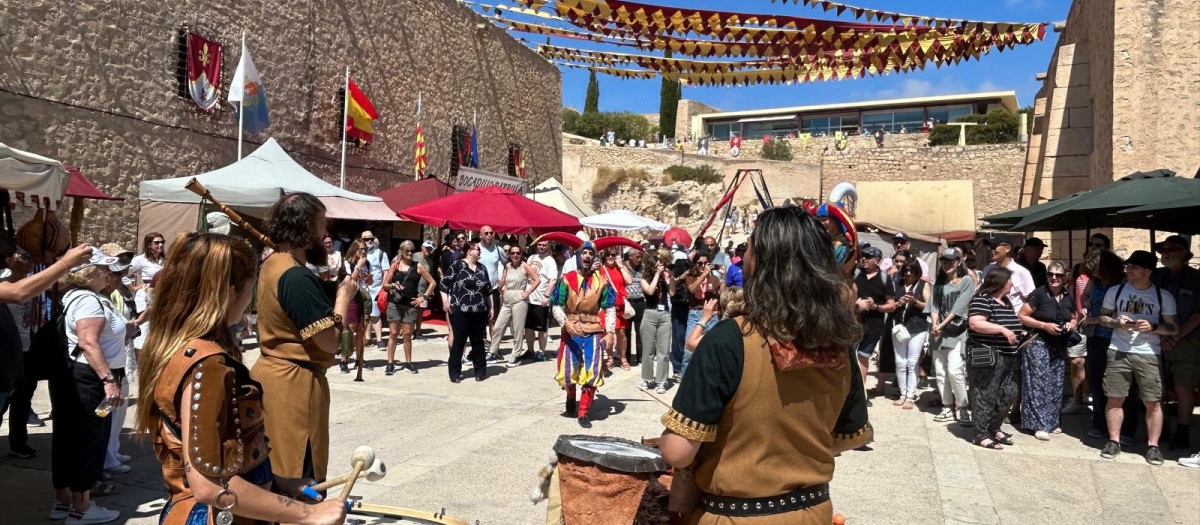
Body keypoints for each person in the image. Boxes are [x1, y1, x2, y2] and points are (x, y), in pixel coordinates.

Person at [658, 207, 870, 524]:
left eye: (751, 249)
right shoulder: (839, 343)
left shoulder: (730, 339)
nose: (745, 259)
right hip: (813, 514)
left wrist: (671, 434)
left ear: (761, 263)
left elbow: (678, 452)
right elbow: (847, 438)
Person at [136, 233, 347, 525]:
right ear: (232, 291)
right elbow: (210, 486)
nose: (251, 299)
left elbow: (227, 462)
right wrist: (308, 514)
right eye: (252, 287)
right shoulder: (207, 364)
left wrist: (277, 484)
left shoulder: (185, 349)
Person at [251, 193, 354, 483]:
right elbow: (329, 342)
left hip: (279, 379)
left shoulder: (273, 264)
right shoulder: (294, 275)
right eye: (321, 225)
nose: (325, 235)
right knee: (297, 474)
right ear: (305, 227)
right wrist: (344, 297)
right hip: (293, 388)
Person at [51, 247, 131, 524]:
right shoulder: (88, 301)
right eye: (103, 268)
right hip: (91, 380)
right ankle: (81, 507)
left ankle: (63, 502)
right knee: (88, 438)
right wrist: (109, 381)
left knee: (67, 438)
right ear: (88, 273)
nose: (108, 273)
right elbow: (88, 342)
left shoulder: (77, 296)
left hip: (77, 375)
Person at [1095, 251, 1178, 465]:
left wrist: (1154, 327)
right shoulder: (1117, 290)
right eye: (1127, 266)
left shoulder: (1163, 296)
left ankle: (1153, 446)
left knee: (1153, 401)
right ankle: (1114, 441)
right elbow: (1103, 318)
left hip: (1149, 352)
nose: (1128, 270)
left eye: (1134, 267)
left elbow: (1173, 327)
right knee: (1115, 397)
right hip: (1118, 349)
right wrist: (1117, 323)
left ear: (1148, 271)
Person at [551, 241, 617, 428]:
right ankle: (571, 395)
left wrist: (610, 331)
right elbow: (557, 304)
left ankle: (583, 412)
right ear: (578, 257)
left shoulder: (602, 282)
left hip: (593, 330)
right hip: (571, 330)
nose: (587, 256)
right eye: (584, 253)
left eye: (591, 253)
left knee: (592, 370)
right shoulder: (567, 279)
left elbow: (610, 308)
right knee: (568, 370)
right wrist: (564, 322)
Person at [1079, 250, 1137, 443]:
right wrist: (1086, 304)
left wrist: (1095, 319)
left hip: (1116, 337)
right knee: (1097, 381)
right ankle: (1099, 424)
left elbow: (1124, 312)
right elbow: (1084, 295)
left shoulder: (1123, 283)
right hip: (1096, 337)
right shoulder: (1095, 282)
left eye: (1096, 271)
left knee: (1120, 385)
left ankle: (1127, 429)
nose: (1094, 274)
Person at [1017, 261, 1077, 441]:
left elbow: (1074, 317)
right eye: (1051, 274)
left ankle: (1051, 421)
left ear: (1065, 277)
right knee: (1037, 383)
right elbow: (1022, 315)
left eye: (1058, 275)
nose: (1054, 278)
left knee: (1055, 382)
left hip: (1057, 344)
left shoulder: (1068, 296)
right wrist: (1043, 325)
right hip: (1038, 342)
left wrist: (1071, 324)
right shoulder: (1039, 294)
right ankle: (1038, 424)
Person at [1151, 235, 1200, 453]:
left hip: (1187, 340)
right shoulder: (1156, 277)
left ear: (1185, 253)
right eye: (1162, 250)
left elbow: (1198, 315)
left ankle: (1182, 428)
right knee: (1157, 386)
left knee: (1183, 386)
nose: (1165, 253)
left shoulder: (1197, 279)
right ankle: (1158, 428)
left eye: (1171, 249)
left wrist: (1175, 337)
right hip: (1157, 339)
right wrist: (1162, 336)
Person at [966, 266, 1024, 450]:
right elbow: (975, 323)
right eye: (1009, 280)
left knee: (1008, 393)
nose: (1012, 283)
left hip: (1008, 356)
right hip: (988, 356)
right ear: (1000, 282)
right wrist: (1002, 329)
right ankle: (980, 434)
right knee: (985, 394)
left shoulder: (1005, 302)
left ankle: (994, 427)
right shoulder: (982, 300)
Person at [926, 248, 975, 425]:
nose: (947, 264)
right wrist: (934, 324)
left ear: (958, 262)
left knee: (955, 371)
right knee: (940, 373)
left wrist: (940, 325)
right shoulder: (938, 284)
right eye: (944, 261)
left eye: (951, 260)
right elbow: (933, 307)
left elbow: (959, 308)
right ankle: (947, 406)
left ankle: (962, 408)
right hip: (938, 333)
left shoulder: (967, 281)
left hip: (957, 332)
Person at [382, 241, 436, 376]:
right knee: (393, 333)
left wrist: (423, 296)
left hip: (410, 304)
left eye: (412, 251)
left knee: (407, 335)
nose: (410, 253)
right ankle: (390, 363)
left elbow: (433, 282)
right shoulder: (394, 266)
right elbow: (385, 285)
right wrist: (394, 285)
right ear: (401, 252)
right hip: (394, 303)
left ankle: (408, 362)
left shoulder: (418, 266)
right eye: (407, 251)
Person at [442, 243, 491, 382]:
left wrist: (491, 307)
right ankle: (455, 373)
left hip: (479, 310)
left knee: (478, 341)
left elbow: (487, 290)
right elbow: (444, 284)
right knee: (459, 341)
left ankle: (480, 371)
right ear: (469, 251)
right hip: (460, 310)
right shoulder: (457, 266)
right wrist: (445, 301)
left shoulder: (482, 268)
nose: (479, 251)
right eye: (477, 249)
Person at [854, 246, 897, 401]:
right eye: (863, 255)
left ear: (876, 260)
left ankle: (860, 395)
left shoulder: (884, 279)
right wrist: (855, 304)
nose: (863, 258)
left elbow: (891, 305)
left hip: (873, 325)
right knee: (848, 357)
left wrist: (875, 307)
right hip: (852, 324)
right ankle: (847, 392)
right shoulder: (855, 274)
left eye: (868, 256)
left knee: (862, 357)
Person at [489, 245, 539, 366]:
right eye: (513, 253)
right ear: (509, 254)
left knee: (517, 329)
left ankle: (516, 354)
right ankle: (493, 352)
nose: (515, 255)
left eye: (517, 253)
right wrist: (504, 288)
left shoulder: (525, 266)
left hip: (519, 299)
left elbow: (537, 280)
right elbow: (504, 279)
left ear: (521, 254)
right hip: (507, 300)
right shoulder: (508, 266)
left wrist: (527, 292)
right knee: (498, 327)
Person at [891, 260, 930, 409]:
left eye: (912, 270)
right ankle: (902, 394)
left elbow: (929, 305)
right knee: (900, 361)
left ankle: (910, 396)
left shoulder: (923, 284)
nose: (908, 273)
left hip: (917, 327)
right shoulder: (898, 283)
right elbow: (891, 304)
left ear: (917, 271)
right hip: (900, 326)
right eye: (906, 270)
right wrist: (898, 303)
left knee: (912, 362)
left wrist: (914, 301)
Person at [638, 248, 674, 394]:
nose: (661, 267)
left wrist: (670, 277)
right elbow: (650, 291)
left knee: (664, 351)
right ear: (652, 266)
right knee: (648, 351)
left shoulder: (663, 279)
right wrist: (657, 274)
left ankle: (662, 381)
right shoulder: (643, 280)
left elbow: (672, 292)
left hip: (664, 314)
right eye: (658, 265)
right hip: (650, 314)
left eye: (661, 265)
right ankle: (646, 379)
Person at [682, 251, 722, 376]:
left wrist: (724, 277)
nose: (703, 265)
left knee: (712, 348)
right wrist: (704, 274)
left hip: (712, 316)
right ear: (695, 264)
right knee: (689, 348)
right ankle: (685, 378)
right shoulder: (691, 277)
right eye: (700, 263)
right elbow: (692, 289)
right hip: (696, 313)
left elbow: (722, 293)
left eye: (706, 263)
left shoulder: (714, 279)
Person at [340, 242, 372, 377]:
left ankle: (359, 359)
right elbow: (350, 280)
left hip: (362, 295)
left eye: (365, 249)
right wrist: (358, 267)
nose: (364, 251)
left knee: (361, 330)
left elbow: (367, 281)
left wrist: (368, 278)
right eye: (361, 249)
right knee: (350, 329)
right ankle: (344, 359)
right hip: (350, 296)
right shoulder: (348, 263)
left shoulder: (367, 263)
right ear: (354, 249)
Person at [599, 247, 633, 370]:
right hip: (606, 304)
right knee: (608, 331)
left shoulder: (620, 267)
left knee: (622, 333)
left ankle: (623, 357)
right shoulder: (601, 269)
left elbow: (629, 281)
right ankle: (610, 357)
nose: (610, 257)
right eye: (608, 254)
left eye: (613, 255)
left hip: (619, 304)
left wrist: (621, 265)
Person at [524, 239, 558, 362]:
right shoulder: (531, 257)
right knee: (528, 327)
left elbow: (553, 280)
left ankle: (542, 352)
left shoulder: (550, 261)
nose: (541, 247)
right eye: (539, 245)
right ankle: (530, 350)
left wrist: (547, 296)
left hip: (541, 299)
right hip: (528, 298)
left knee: (542, 328)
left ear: (549, 246)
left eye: (544, 245)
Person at [982, 241, 1035, 314]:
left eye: (994, 246)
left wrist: (1021, 316)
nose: (991, 250)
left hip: (1011, 319)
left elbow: (1032, 298)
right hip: (988, 317)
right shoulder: (987, 269)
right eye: (990, 247)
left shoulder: (1021, 271)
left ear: (1007, 248)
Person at [359, 231, 389, 348]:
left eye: (371, 239)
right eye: (366, 239)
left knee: (375, 314)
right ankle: (367, 338)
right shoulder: (359, 254)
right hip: (363, 289)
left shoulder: (380, 253)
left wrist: (383, 287)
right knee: (365, 314)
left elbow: (385, 271)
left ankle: (379, 339)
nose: (369, 241)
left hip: (376, 289)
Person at [439, 233, 466, 350]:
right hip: (453, 291)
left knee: (464, 328)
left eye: (463, 238)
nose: (460, 241)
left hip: (467, 294)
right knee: (453, 328)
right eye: (458, 239)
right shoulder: (452, 256)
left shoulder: (471, 253)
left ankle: (462, 353)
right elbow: (444, 273)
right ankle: (454, 355)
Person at [622, 248, 647, 366]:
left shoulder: (643, 268)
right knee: (626, 331)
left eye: (640, 257)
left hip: (640, 302)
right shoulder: (623, 268)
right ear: (630, 256)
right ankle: (626, 356)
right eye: (637, 257)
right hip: (628, 302)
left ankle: (640, 356)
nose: (639, 259)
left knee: (640, 330)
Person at [477, 226, 504, 335]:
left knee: (493, 319)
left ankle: (494, 348)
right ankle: (479, 345)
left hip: (493, 290)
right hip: (477, 290)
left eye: (491, 233)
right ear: (480, 235)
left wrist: (503, 279)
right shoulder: (475, 249)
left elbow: (508, 264)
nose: (489, 235)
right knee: (478, 320)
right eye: (486, 233)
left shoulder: (498, 249)